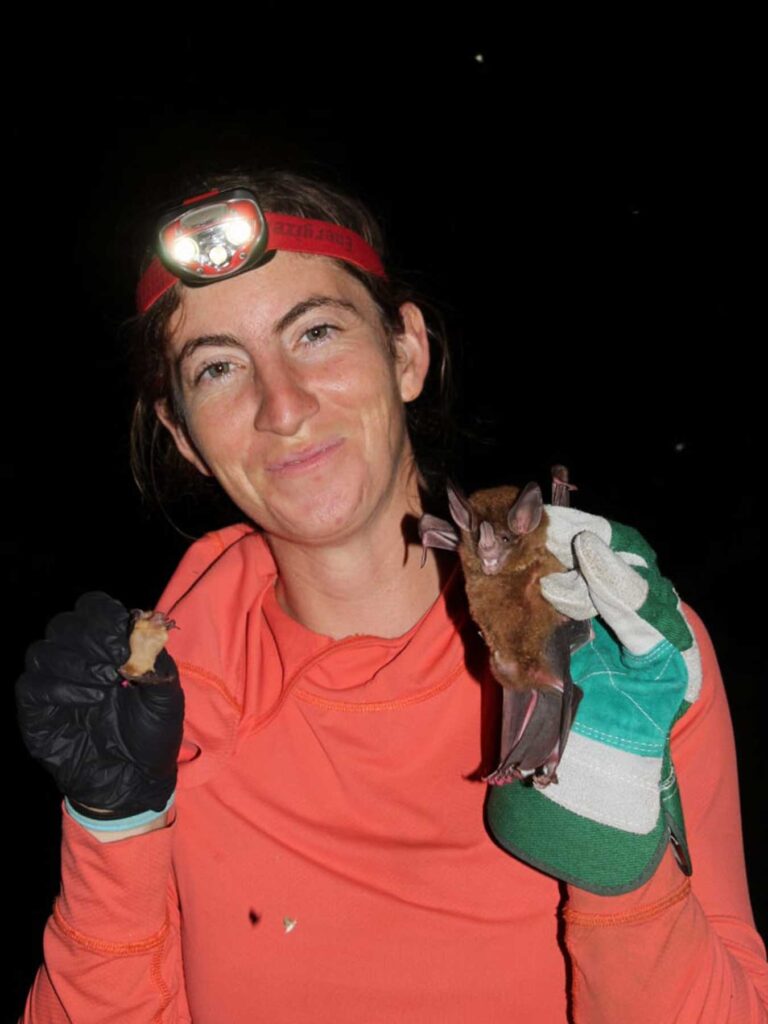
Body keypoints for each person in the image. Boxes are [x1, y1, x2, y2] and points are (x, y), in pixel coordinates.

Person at [16, 169, 768, 1023]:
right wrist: (112, 823)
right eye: (220, 368)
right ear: (182, 436)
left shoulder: (614, 646)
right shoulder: (158, 707)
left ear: (406, 352)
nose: (283, 406)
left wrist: (616, 854)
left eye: (317, 332)